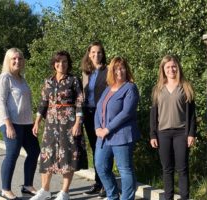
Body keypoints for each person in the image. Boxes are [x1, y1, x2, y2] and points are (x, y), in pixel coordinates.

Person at [30, 50, 88, 200]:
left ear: (68, 64)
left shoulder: (73, 80)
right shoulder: (48, 81)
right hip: (51, 124)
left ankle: (64, 192)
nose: (61, 64)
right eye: (58, 61)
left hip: (68, 124)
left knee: (67, 156)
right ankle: (45, 190)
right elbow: (43, 102)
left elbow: (80, 102)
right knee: (46, 155)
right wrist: (37, 122)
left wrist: (77, 123)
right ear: (54, 64)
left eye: (64, 62)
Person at [0, 48, 40, 200]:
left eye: (20, 58)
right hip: (11, 122)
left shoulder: (21, 79)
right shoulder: (4, 78)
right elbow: (0, 102)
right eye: (14, 58)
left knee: (34, 152)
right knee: (12, 154)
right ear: (8, 61)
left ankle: (27, 186)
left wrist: (33, 121)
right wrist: (8, 124)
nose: (17, 61)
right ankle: (4, 190)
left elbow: (25, 103)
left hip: (26, 123)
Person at [149, 55, 196, 200]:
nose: (171, 69)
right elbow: (153, 114)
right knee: (167, 169)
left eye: (173, 66)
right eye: (168, 67)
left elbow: (192, 114)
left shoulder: (186, 87)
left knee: (182, 168)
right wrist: (152, 135)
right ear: (163, 69)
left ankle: (184, 197)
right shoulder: (158, 89)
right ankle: (168, 197)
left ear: (178, 67)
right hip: (163, 133)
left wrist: (191, 134)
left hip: (181, 133)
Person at [94, 56, 140, 200]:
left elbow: (126, 112)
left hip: (122, 135)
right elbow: (98, 109)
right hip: (104, 137)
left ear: (126, 69)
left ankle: (127, 197)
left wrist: (107, 128)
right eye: (115, 69)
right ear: (111, 71)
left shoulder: (130, 88)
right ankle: (112, 195)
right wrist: (97, 128)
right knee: (100, 166)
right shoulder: (108, 88)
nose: (119, 71)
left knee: (124, 169)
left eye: (122, 68)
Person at [80, 41, 108, 197]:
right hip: (88, 113)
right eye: (93, 52)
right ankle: (98, 182)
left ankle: (106, 183)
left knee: (104, 148)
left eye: (99, 52)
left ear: (103, 54)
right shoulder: (86, 71)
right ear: (88, 54)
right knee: (95, 148)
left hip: (102, 113)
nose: (96, 55)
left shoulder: (108, 70)